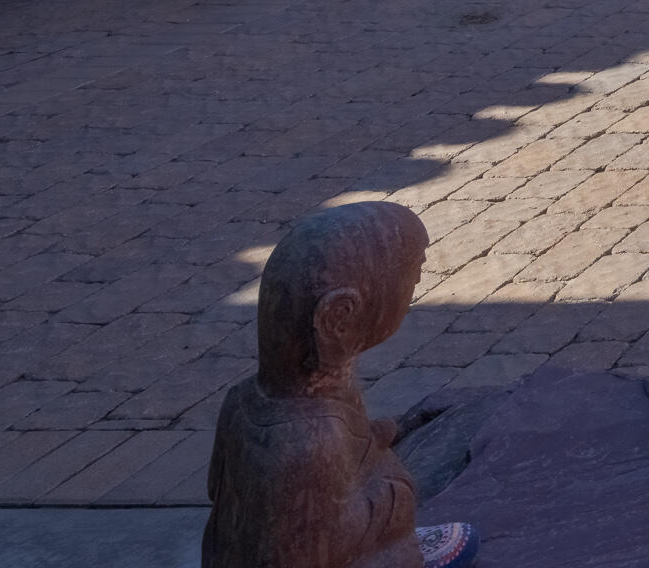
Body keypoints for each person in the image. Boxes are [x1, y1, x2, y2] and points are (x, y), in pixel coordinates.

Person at [203, 202, 477, 568]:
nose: (417, 284)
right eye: (413, 273)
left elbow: (219, 492)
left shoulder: (242, 401)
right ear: (339, 318)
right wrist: (390, 491)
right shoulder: (310, 441)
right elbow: (323, 549)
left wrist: (362, 448)